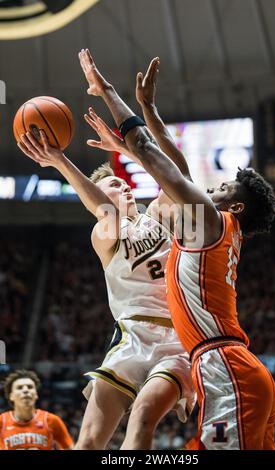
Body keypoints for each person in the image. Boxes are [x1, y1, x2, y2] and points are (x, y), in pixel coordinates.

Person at [80, 49, 275, 450]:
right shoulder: (215, 228)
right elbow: (175, 166)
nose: (211, 188)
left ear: (235, 206)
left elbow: (160, 159)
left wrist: (112, 95)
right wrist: (149, 110)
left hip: (226, 367)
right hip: (231, 367)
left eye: (222, 189)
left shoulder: (208, 222)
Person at [17, 56, 196, 450]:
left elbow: (178, 174)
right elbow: (105, 210)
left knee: (144, 424)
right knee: (89, 442)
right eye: (116, 184)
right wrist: (60, 159)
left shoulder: (158, 216)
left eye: (126, 183)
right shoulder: (104, 235)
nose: (126, 187)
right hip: (131, 337)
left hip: (175, 338)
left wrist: (130, 153)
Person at [0, 369, 73, 450]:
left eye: (30, 387)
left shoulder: (52, 420)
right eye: (20, 388)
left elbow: (69, 448)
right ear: (11, 396)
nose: (25, 390)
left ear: (36, 394)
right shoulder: (1, 422)